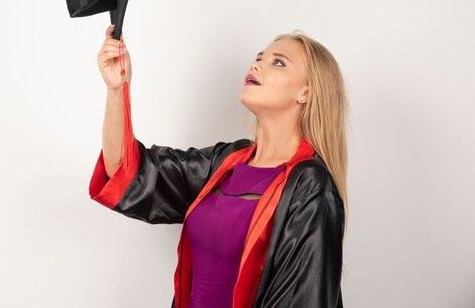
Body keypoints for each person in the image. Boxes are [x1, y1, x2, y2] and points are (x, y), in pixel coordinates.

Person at [90, 24, 348, 308]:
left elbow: (301, 300)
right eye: (259, 57)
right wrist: (118, 89)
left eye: (278, 62)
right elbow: (128, 172)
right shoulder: (225, 162)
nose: (257, 64)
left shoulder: (310, 188)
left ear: (305, 93)